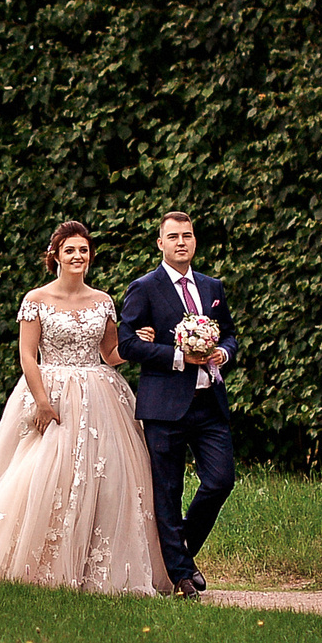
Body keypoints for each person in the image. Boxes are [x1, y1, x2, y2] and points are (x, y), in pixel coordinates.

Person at [0, 220, 171, 594]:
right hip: (51, 393)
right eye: (70, 250)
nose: (78, 256)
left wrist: (137, 344)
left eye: (83, 250)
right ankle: (37, 564)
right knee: (40, 475)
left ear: (90, 255)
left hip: (100, 395)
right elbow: (28, 357)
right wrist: (43, 402)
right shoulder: (36, 300)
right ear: (56, 256)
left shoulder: (103, 301)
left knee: (108, 479)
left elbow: (110, 354)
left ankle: (97, 567)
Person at [118, 211, 238, 597]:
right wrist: (177, 356)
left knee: (221, 480)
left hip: (209, 403)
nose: (181, 242)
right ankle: (182, 576)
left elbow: (232, 335)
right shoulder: (145, 287)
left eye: (187, 235)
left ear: (194, 241)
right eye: (173, 237)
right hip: (164, 406)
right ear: (161, 244)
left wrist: (223, 352)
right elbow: (127, 345)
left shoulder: (212, 285)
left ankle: (180, 549)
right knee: (166, 490)